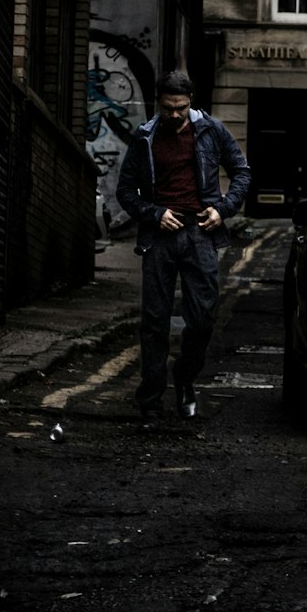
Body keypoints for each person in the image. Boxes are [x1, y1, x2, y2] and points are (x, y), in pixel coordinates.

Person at [116, 70, 251, 424]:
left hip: (200, 235)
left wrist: (222, 210)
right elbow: (126, 192)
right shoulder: (144, 137)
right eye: (167, 108)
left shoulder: (210, 130)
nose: (174, 115)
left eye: (181, 108)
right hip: (160, 237)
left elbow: (242, 172)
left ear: (190, 102)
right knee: (155, 321)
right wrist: (154, 213)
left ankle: (186, 380)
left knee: (203, 318)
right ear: (157, 102)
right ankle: (151, 399)